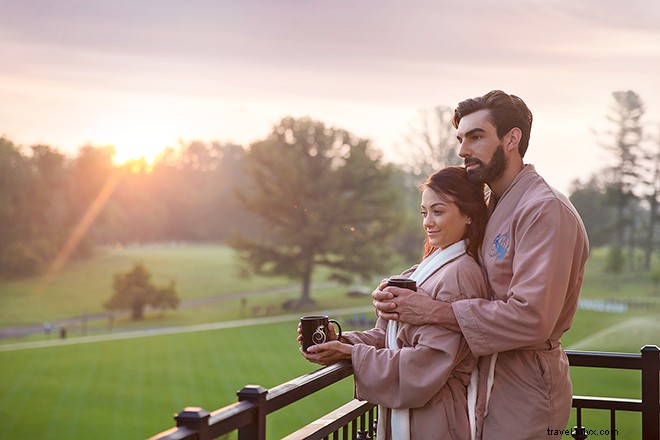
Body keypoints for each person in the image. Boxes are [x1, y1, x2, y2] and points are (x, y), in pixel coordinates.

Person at [372, 90, 590, 440]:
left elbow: (532, 318)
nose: (463, 151)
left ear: (511, 139)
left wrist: (432, 312)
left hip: (525, 390)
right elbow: (453, 262)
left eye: (476, 137)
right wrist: (395, 292)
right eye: (461, 139)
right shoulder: (487, 203)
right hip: (476, 384)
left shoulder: (544, 210)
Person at [300, 166, 489, 440]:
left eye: (438, 211)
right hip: (412, 417)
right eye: (424, 212)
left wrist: (351, 355)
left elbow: (426, 364)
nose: (427, 222)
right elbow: (390, 337)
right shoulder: (426, 268)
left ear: (469, 214)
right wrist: (343, 341)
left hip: (435, 421)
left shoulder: (461, 274)